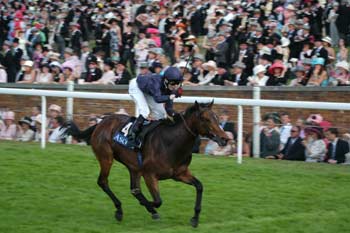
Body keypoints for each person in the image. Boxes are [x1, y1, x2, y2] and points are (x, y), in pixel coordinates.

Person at [128, 66, 183, 148]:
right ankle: (132, 136)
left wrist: (177, 115)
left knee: (161, 114)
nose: (175, 86)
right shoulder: (156, 82)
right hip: (136, 86)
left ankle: (150, 136)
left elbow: (168, 109)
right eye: (173, 84)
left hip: (149, 91)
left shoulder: (171, 88)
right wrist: (171, 96)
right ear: (166, 81)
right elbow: (157, 99)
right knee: (145, 111)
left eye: (177, 84)